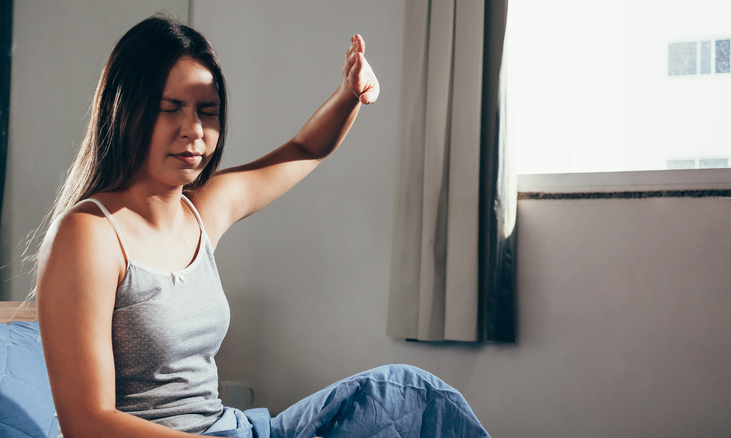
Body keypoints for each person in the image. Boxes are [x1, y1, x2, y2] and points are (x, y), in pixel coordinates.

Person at [36, 15, 490, 438]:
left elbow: (303, 150)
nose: (193, 130)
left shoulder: (202, 210)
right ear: (125, 110)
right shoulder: (90, 235)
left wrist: (350, 94)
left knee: (412, 397)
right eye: (170, 108)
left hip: (237, 429)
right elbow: (86, 422)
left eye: (207, 111)